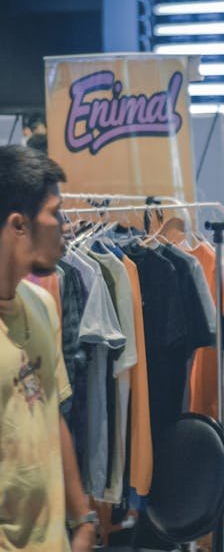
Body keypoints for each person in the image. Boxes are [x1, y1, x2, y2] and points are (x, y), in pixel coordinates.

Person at [0, 146, 96, 552]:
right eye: (55, 213)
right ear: (19, 225)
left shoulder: (42, 306)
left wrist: (84, 519)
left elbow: (50, 408)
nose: (66, 225)